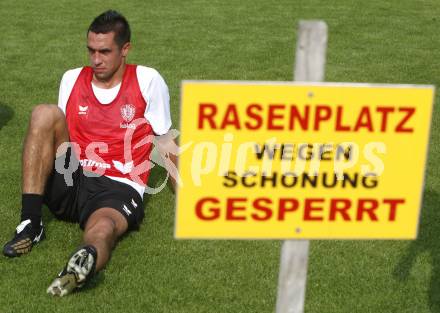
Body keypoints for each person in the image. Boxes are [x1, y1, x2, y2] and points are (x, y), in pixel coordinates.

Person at [2, 10, 177, 297]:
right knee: (44, 113)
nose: (96, 60)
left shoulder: (147, 80)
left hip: (118, 186)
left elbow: (166, 144)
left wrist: (192, 200)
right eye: (91, 50)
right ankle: (30, 223)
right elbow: (59, 139)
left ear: (125, 50)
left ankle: (83, 261)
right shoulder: (72, 78)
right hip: (73, 177)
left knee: (104, 227)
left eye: (105, 52)